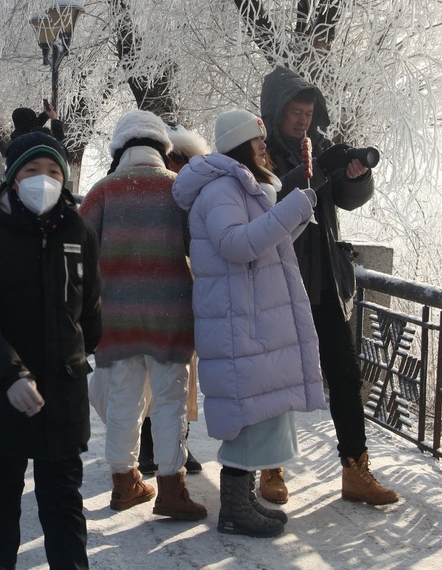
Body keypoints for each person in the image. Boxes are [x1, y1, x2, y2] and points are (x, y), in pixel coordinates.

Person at [171, 108, 325, 538]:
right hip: (240, 322)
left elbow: (263, 245)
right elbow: (237, 245)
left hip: (247, 317)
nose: (264, 148)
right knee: (248, 415)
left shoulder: (238, 186)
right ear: (240, 145)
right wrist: (293, 206)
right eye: (256, 142)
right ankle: (235, 509)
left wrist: (295, 216)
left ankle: (245, 500)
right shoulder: (222, 188)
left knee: (260, 412)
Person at [0, 132, 102, 570]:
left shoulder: (80, 232)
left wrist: (72, 360)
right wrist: (11, 374)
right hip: (5, 398)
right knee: (2, 504)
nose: (44, 180)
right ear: (13, 180)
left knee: (63, 507)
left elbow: (91, 313)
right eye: (32, 171)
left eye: (54, 172)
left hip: (62, 399)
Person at [260, 66, 400, 506]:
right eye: (295, 112)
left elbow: (346, 198)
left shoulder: (314, 148)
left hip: (324, 282)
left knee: (344, 372)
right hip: (281, 282)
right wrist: (317, 170)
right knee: (276, 377)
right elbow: (274, 199)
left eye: (308, 112)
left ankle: (356, 469)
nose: (302, 119)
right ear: (275, 111)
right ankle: (270, 465)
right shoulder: (258, 153)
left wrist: (356, 175)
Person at [79, 110, 205, 521]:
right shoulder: (178, 190)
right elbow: (200, 248)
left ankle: (124, 481)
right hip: (171, 314)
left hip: (114, 315)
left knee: (123, 399)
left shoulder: (101, 192)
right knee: (169, 400)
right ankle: (172, 488)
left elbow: (78, 251)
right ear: (162, 149)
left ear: (121, 149)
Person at [135, 123, 212, 476]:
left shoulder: (199, 198)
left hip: (188, 290)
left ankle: (179, 442)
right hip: (152, 291)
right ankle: (149, 446)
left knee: (185, 375)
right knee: (154, 373)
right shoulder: (152, 193)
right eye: (177, 161)